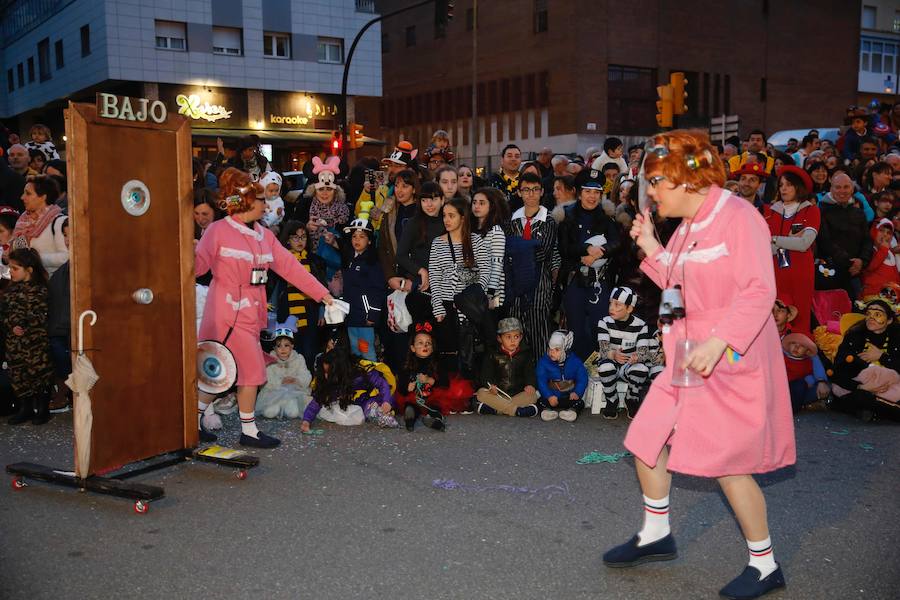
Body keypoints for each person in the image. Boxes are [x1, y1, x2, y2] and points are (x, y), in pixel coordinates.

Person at [604, 130, 794, 600]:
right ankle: (656, 534)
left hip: (727, 356)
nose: (649, 192)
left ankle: (765, 564)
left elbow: (759, 291)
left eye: (655, 182)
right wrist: (651, 245)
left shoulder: (739, 217)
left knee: (728, 464)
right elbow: (678, 285)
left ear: (685, 179)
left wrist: (720, 342)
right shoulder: (688, 226)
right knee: (646, 440)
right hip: (687, 355)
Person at [195, 167, 333, 448]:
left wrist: (325, 296)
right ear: (246, 202)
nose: (266, 205)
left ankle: (191, 421)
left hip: (251, 313)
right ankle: (248, 431)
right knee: (249, 369)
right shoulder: (218, 231)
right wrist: (185, 249)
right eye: (261, 200)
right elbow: (198, 269)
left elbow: (290, 267)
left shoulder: (264, 235)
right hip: (226, 314)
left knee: (220, 373)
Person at [558, 168, 621, 360]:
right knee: (576, 328)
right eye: (587, 191)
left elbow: (617, 243)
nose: (592, 197)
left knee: (599, 325)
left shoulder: (607, 217)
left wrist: (598, 253)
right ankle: (578, 372)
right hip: (575, 279)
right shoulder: (567, 216)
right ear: (579, 192)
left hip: (599, 281)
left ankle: (600, 370)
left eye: (596, 192)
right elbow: (564, 247)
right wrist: (585, 249)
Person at [428, 197, 491, 374]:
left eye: (451, 216)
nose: (446, 220)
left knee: (472, 353)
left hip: (470, 307)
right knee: (450, 355)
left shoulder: (476, 241)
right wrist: (438, 308)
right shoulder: (437, 243)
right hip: (447, 307)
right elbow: (435, 276)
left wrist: (477, 293)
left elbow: (486, 269)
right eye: (444, 216)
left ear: (462, 218)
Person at [504, 171, 560, 361]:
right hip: (515, 283)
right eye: (526, 190)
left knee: (539, 330)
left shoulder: (549, 220)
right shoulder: (512, 220)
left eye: (535, 189)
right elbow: (508, 249)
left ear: (542, 191)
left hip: (540, 282)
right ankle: (518, 374)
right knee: (515, 329)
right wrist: (526, 247)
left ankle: (541, 373)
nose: (531, 194)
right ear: (519, 192)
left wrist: (519, 248)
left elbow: (543, 252)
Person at [2, 248, 54, 425]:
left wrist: (23, 325)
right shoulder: (10, 291)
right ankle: (25, 408)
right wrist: (12, 325)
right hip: (14, 344)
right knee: (18, 375)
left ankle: (43, 409)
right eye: (10, 268)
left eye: (15, 268)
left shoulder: (39, 290)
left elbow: (39, 313)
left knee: (39, 374)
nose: (11, 272)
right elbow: (4, 313)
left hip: (35, 342)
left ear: (29, 270)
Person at [765, 166, 819, 333]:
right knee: (775, 316)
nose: (784, 189)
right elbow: (766, 249)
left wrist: (775, 239)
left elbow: (804, 244)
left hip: (801, 273)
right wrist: (789, 241)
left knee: (801, 317)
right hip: (775, 271)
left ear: (798, 187)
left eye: (788, 184)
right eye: (781, 185)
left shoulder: (811, 210)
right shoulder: (770, 212)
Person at [829, 298, 900, 422]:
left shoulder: (897, 336)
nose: (871, 318)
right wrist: (861, 387)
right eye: (868, 314)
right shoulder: (854, 336)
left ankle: (872, 411)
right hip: (859, 387)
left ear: (889, 320)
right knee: (861, 397)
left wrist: (881, 357)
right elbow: (838, 370)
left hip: (891, 386)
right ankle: (878, 410)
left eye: (877, 314)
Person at [301, 347, 399, 431]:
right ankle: (380, 414)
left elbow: (382, 384)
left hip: (375, 396)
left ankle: (385, 414)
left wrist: (386, 401)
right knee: (366, 410)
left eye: (329, 372)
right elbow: (318, 400)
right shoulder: (330, 381)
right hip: (358, 401)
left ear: (339, 371)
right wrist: (306, 420)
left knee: (375, 405)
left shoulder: (361, 371)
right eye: (324, 372)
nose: (326, 376)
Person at [273, 221, 327, 370]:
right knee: (289, 351)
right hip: (287, 311)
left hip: (310, 310)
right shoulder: (280, 261)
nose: (300, 241)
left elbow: (322, 286)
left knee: (310, 351)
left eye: (303, 237)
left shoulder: (314, 260)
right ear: (287, 240)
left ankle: (308, 382)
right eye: (295, 237)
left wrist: (322, 310)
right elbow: (274, 288)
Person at [395, 321, 464, 430]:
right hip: (415, 397)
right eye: (420, 343)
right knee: (410, 404)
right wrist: (408, 387)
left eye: (428, 343)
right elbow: (401, 387)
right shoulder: (407, 366)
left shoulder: (438, 363)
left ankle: (435, 420)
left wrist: (431, 380)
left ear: (432, 348)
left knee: (436, 405)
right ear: (412, 348)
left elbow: (445, 383)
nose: (425, 345)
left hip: (433, 395)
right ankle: (410, 418)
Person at [595, 286, 652, 420]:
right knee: (605, 367)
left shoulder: (641, 325)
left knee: (642, 369)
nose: (611, 308)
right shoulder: (604, 322)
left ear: (629, 309)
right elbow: (603, 349)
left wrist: (636, 357)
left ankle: (631, 399)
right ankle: (612, 399)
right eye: (611, 303)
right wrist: (613, 354)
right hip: (611, 362)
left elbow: (643, 352)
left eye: (617, 305)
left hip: (629, 366)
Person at [818, 173, 874, 299]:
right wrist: (850, 263)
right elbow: (825, 241)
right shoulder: (821, 211)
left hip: (856, 273)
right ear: (831, 189)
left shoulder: (859, 212)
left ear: (852, 189)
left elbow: (867, 240)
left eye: (846, 187)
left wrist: (861, 261)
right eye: (838, 187)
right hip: (830, 273)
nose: (842, 191)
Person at [474, 317, 540, 418]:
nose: (513, 340)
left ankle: (496, 410)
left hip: (518, 393)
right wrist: (490, 386)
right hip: (498, 394)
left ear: (521, 337)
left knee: (534, 394)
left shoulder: (525, 354)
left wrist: (530, 384)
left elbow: (529, 373)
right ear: (499, 338)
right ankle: (517, 411)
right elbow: (485, 375)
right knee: (481, 393)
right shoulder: (492, 354)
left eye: (516, 336)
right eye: (508, 337)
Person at [341, 218, 384, 360]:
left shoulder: (372, 263)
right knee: (354, 350)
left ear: (370, 241)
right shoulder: (350, 260)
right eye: (354, 236)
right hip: (351, 315)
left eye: (362, 237)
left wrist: (372, 315)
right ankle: (358, 380)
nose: (357, 240)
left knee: (366, 350)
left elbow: (377, 290)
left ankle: (373, 380)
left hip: (365, 318)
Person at [13, 176, 68, 276]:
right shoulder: (23, 222)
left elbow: (66, 257)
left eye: (28, 193)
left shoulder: (59, 221)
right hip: (26, 284)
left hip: (50, 284)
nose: (22, 197)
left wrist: (35, 258)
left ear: (43, 197)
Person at [255, 328, 313, 419]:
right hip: (274, 392)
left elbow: (305, 374)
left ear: (292, 346)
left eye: (286, 345)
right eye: (279, 346)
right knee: (269, 413)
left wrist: (296, 380)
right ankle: (278, 405)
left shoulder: (298, 358)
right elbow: (267, 378)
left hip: (293, 392)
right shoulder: (270, 360)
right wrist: (281, 381)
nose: (283, 349)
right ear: (274, 348)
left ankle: (288, 405)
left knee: (293, 413)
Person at [471, 187, 509, 316]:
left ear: (491, 206)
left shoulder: (496, 231)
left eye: (482, 203)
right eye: (474, 202)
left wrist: (490, 294)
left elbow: (497, 265)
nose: (477, 206)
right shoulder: (471, 230)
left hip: (493, 293)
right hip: (475, 290)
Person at [536, 329, 588, 422]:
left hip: (568, 396)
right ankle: (546, 411)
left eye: (556, 350)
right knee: (540, 401)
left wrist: (577, 392)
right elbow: (541, 381)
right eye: (550, 349)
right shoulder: (544, 362)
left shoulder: (575, 362)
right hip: (552, 396)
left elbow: (582, 378)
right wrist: (549, 395)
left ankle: (572, 412)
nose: (552, 352)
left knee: (580, 403)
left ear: (566, 350)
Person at [781, 331, 830, 413]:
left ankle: (798, 407)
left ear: (807, 351)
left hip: (798, 392)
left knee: (824, 387)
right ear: (788, 345)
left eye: (802, 346)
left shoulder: (808, 362)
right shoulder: (782, 356)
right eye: (793, 343)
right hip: (782, 389)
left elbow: (813, 373)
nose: (796, 348)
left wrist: (811, 380)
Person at [489, 144, 523, 211]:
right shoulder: (493, 180)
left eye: (517, 156)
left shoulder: (524, 180)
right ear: (502, 160)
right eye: (509, 156)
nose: (513, 159)